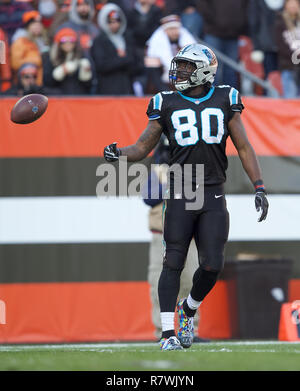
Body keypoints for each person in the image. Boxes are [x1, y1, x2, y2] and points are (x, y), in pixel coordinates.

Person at [104, 43, 269, 350]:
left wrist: (258, 186)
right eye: (178, 65)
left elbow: (244, 146)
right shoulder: (165, 101)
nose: (178, 71)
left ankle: (188, 309)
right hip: (180, 188)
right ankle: (168, 334)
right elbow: (142, 148)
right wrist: (120, 154)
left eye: (185, 67)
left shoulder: (225, 97)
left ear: (204, 70)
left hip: (212, 190)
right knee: (173, 262)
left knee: (211, 265)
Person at [142, 135, 210, 342]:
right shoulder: (158, 170)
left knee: (190, 282)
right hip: (161, 234)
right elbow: (150, 197)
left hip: (187, 234)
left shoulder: (194, 170)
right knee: (158, 283)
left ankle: (189, 330)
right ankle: (161, 331)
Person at [91, 3, 143, 95]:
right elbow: (101, 66)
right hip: (107, 90)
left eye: (117, 21)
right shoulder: (99, 41)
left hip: (127, 88)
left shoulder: (127, 38)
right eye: (110, 21)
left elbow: (136, 64)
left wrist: (123, 61)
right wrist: (123, 60)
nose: (114, 24)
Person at [198, 0, 248, 88]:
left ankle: (229, 98)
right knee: (212, 69)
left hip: (234, 33)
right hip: (213, 32)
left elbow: (246, 6)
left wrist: (240, 24)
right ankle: (210, 98)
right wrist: (215, 21)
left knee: (231, 70)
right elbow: (202, 4)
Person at [145, 14, 196, 92]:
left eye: (176, 28)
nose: (174, 32)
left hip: (183, 70)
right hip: (166, 70)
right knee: (151, 61)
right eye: (171, 29)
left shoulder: (185, 37)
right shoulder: (158, 39)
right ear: (165, 30)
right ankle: (163, 91)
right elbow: (166, 59)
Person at [43, 27, 92, 95]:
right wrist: (62, 71)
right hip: (59, 98)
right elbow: (47, 82)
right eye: (64, 40)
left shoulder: (82, 56)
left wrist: (86, 73)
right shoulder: (51, 57)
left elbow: (90, 84)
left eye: (71, 40)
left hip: (79, 97)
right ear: (59, 43)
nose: (68, 43)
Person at [10, 10, 49, 86]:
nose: (38, 27)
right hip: (25, 82)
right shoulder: (20, 41)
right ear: (28, 26)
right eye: (34, 24)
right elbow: (15, 63)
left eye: (39, 24)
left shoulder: (43, 40)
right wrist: (35, 59)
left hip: (41, 81)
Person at [248, 0, 284, 79]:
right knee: (270, 76)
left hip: (284, 47)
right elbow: (253, 23)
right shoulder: (256, 3)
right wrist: (256, 46)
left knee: (284, 77)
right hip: (266, 46)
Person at [275, 0, 300, 98]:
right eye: (290, 3)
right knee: (290, 99)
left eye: (295, 3)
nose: (293, 6)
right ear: (285, 6)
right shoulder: (280, 22)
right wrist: (296, 55)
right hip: (288, 67)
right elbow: (280, 45)